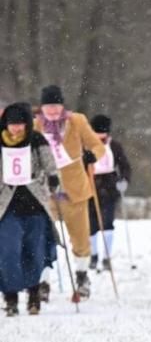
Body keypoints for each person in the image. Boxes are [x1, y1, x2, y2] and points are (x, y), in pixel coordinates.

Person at [34, 85, 105, 298]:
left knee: (80, 237)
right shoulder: (35, 125)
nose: (53, 112)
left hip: (75, 188)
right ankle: (42, 281)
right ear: (42, 108)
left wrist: (92, 156)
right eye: (48, 107)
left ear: (62, 105)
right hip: (45, 190)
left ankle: (82, 275)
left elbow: (97, 146)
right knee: (43, 236)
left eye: (56, 106)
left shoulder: (77, 121)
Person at [0, 103, 58, 315]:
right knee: (9, 252)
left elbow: (50, 164)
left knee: (35, 252)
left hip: (34, 204)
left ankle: (34, 294)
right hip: (7, 207)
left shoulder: (37, 140)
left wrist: (53, 178)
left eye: (20, 124)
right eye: (11, 125)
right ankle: (11, 296)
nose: (15, 129)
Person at [88, 114, 131, 271]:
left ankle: (106, 257)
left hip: (109, 187)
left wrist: (124, 179)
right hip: (90, 187)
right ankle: (93, 255)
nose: (101, 136)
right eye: (98, 133)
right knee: (91, 224)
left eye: (103, 133)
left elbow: (124, 165)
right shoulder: (86, 145)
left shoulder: (114, 145)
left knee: (107, 222)